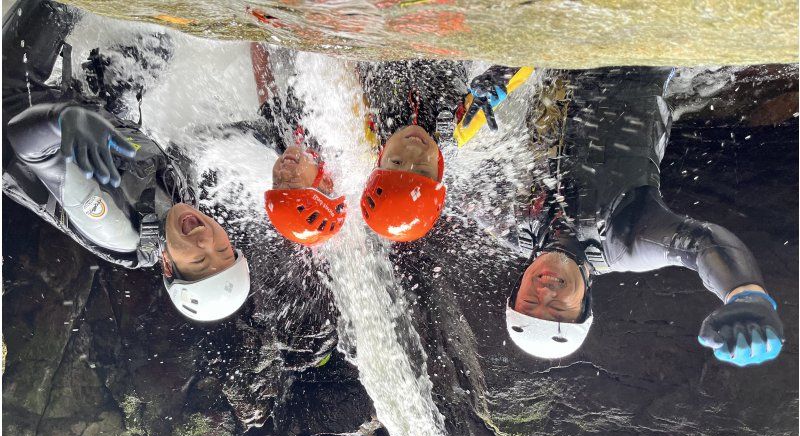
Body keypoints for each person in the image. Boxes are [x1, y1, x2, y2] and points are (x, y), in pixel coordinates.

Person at [506, 67, 784, 367]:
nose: (545, 293)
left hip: (552, 61)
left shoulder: (508, 224)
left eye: (530, 302)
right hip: (633, 60)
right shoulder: (626, 239)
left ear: (516, 289)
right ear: (585, 303)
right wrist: (746, 295)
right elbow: (700, 244)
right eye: (558, 310)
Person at [2, 0, 250, 322]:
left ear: (166, 264)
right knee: (157, 47)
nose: (206, 241)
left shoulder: (116, 228)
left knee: (60, 3)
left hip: (14, 108)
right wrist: (255, 134)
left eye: (200, 262)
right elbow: (195, 143)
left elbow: (27, 144)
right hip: (81, 110)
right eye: (222, 251)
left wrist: (63, 120)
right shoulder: (184, 204)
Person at [358, 60, 520, 242]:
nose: (413, 149)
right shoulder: (456, 127)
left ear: (380, 158)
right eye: (422, 169)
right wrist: (500, 73)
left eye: (396, 162)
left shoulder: (368, 132)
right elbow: (527, 63)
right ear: (439, 167)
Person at [251, 43, 347, 247]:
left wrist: (257, 35)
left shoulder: (280, 137)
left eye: (276, 183)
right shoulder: (342, 146)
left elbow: (264, 78)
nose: (283, 173)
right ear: (326, 182)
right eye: (292, 182)